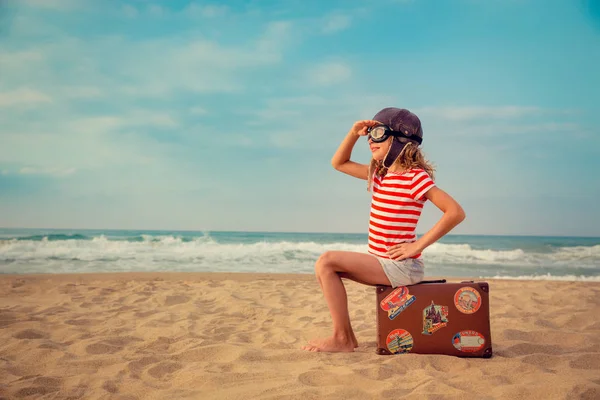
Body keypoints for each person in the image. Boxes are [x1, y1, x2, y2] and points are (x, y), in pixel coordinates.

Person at [302, 107, 465, 353]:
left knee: (326, 262)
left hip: (401, 267)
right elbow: (339, 163)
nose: (370, 140)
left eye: (377, 133)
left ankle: (342, 338)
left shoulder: (415, 177)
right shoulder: (380, 175)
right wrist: (353, 133)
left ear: (401, 139)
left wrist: (417, 246)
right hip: (381, 262)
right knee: (326, 270)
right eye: (369, 134)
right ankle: (346, 337)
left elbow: (455, 212)